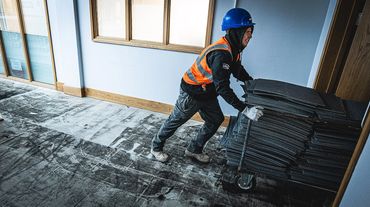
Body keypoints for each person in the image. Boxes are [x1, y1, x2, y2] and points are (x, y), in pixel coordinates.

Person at [151, 8, 263, 163]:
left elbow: (237, 69)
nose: (250, 35)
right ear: (237, 31)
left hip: (208, 92)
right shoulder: (221, 54)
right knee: (175, 120)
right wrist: (245, 109)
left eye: (251, 31)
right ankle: (156, 146)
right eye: (248, 31)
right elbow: (223, 88)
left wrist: (251, 83)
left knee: (215, 119)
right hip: (192, 93)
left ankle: (193, 149)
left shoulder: (233, 49)